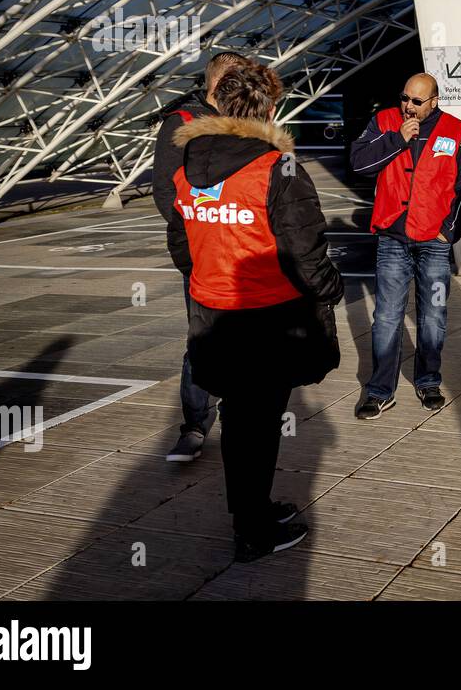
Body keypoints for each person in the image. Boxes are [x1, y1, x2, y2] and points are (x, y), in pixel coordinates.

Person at [166, 62, 344, 561]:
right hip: (268, 321)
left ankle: (254, 510)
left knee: (244, 424)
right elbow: (305, 252)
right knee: (257, 428)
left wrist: (211, 272)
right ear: (269, 110)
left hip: (213, 316)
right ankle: (252, 530)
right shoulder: (276, 169)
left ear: (219, 107)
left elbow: (181, 244)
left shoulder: (188, 167)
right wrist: (331, 289)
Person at [349, 73, 461, 419]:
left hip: (434, 242)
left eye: (416, 101)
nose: (407, 106)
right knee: (387, 317)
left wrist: (451, 229)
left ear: (434, 101)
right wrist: (396, 140)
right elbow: (359, 163)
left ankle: (428, 381)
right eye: (404, 98)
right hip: (393, 237)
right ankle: (379, 391)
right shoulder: (384, 123)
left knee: (433, 316)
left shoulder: (457, 130)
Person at [152, 50, 249, 463]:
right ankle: (194, 425)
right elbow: (166, 194)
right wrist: (190, 251)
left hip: (242, 257)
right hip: (201, 259)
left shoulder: (247, 124)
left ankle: (239, 418)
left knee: (245, 341)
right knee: (202, 340)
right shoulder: (183, 124)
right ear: (213, 83)